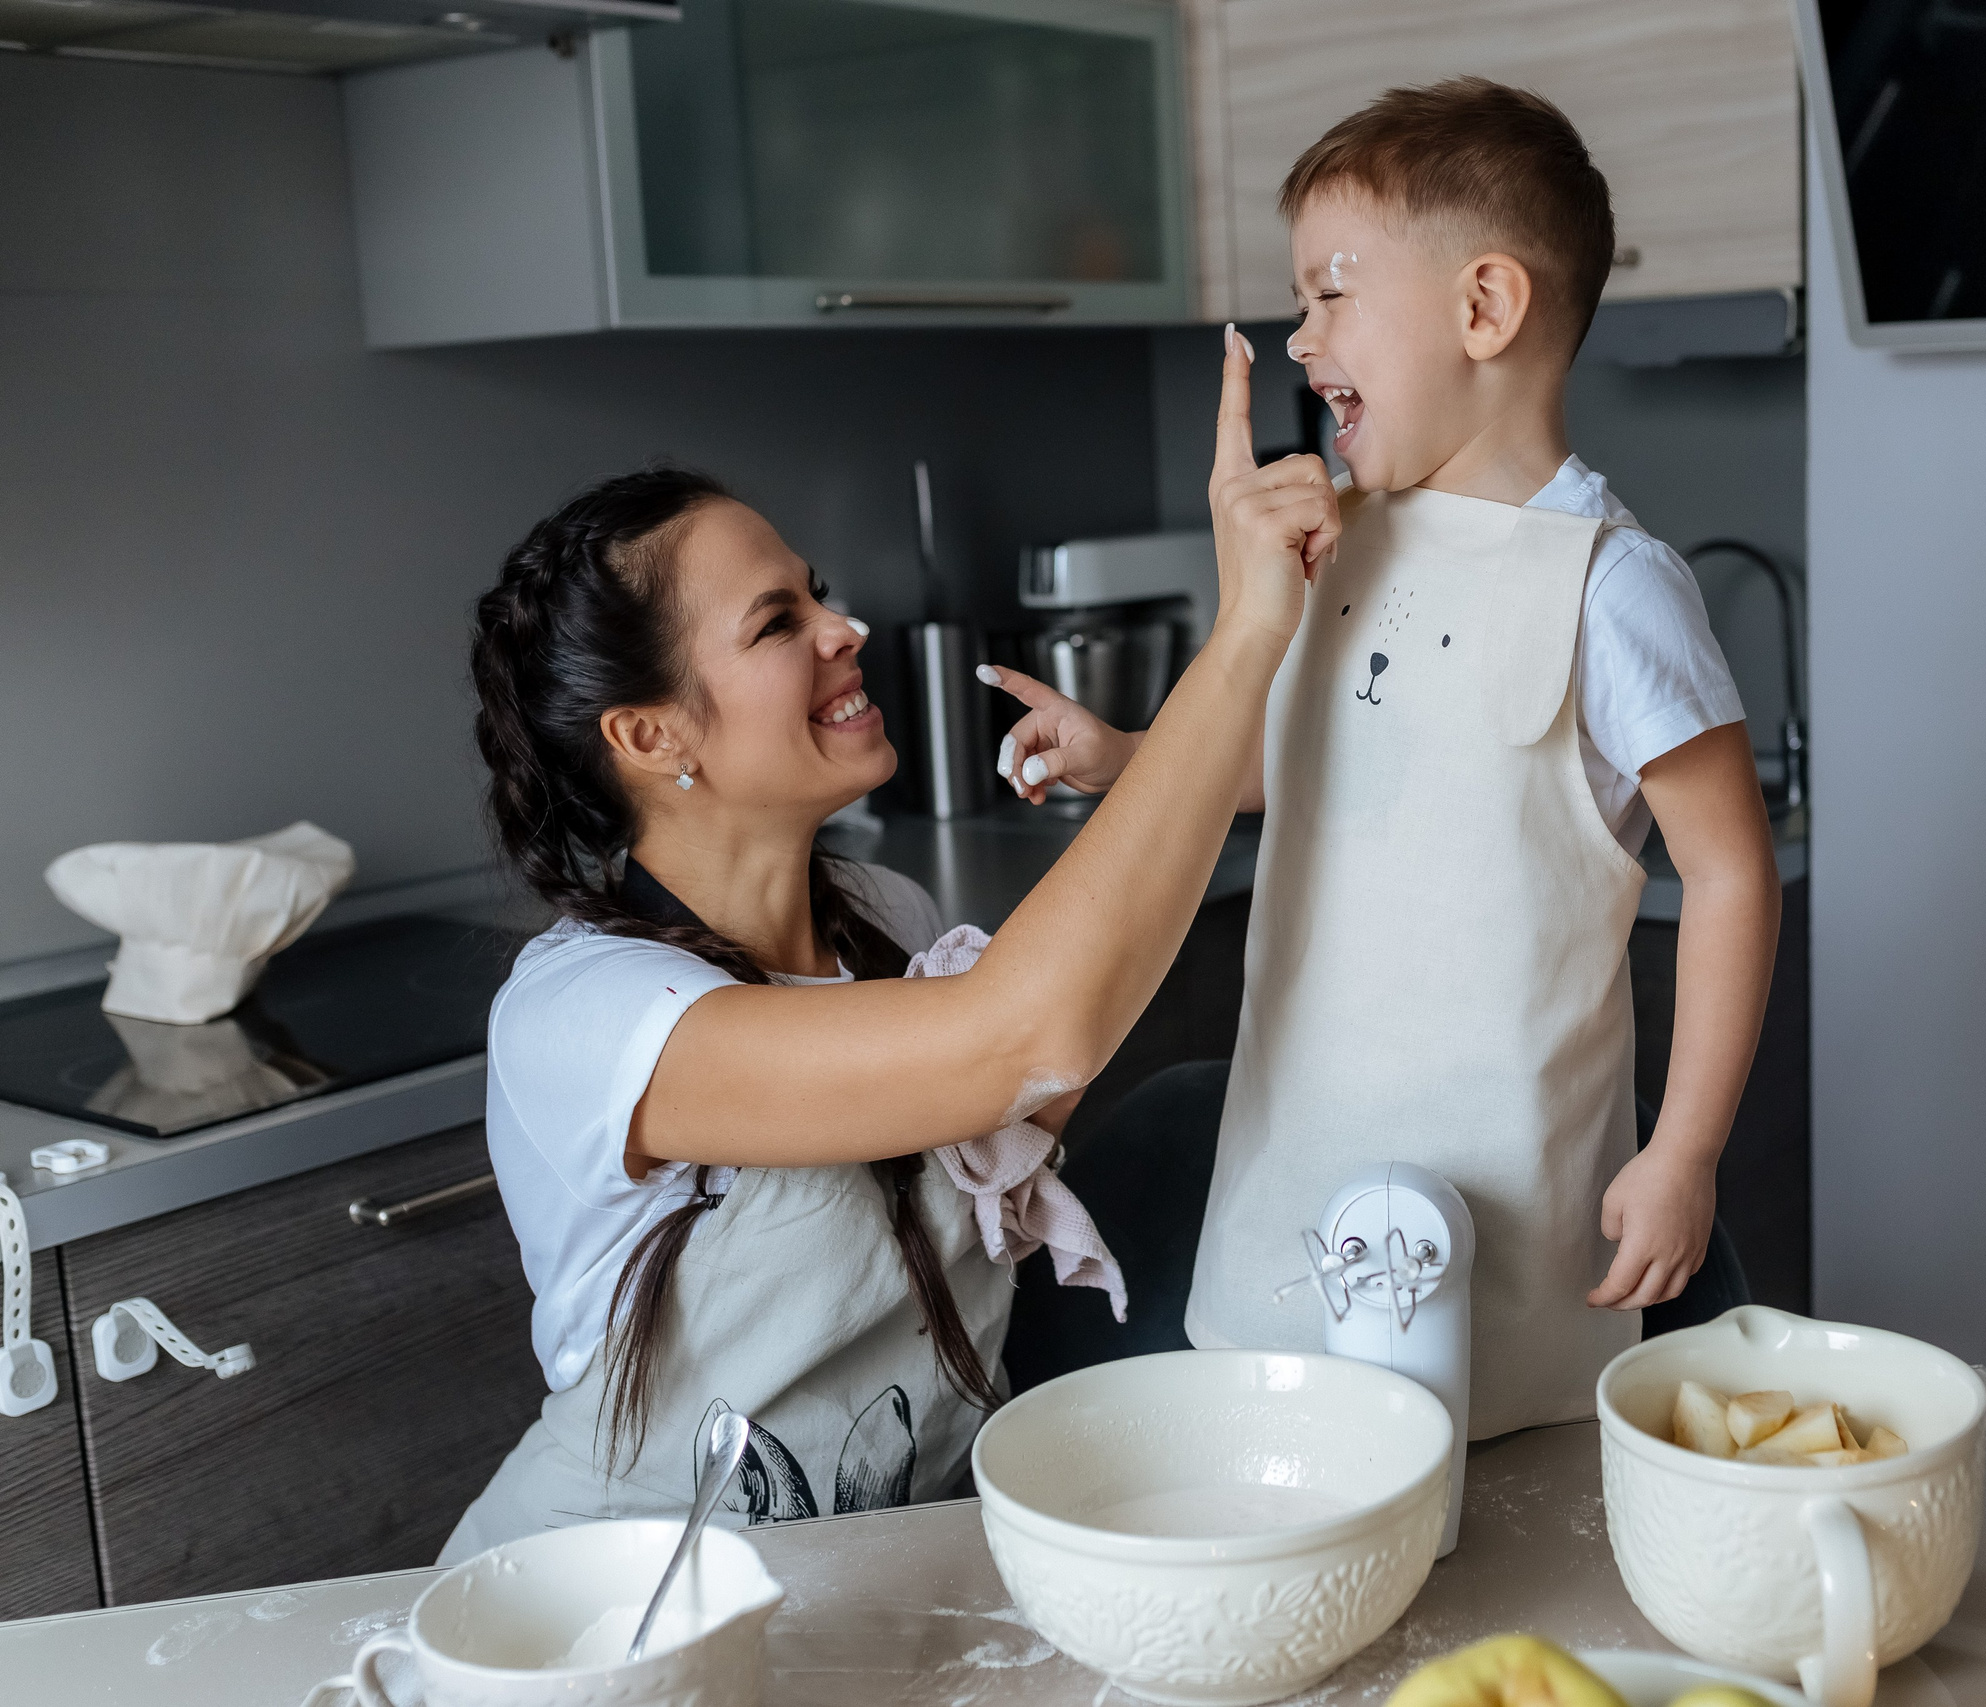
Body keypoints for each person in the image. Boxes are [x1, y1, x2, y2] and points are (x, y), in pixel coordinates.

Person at [441, 346, 1333, 1558]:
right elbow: (1024, 1037)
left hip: (882, 1580)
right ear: (650, 734)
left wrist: (1157, 767)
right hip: (613, 1616)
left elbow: (1037, 1065)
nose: (844, 630)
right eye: (779, 622)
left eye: (820, 595)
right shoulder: (591, 1014)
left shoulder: (889, 917)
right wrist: (1242, 640)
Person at [989, 78, 1781, 1436]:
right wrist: (1131, 754)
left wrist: (1684, 1150)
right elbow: (1310, 758)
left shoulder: (1613, 585)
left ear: (1485, 308)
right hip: (1291, 1173)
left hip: (1513, 1209)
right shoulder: (1349, 539)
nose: (1302, 339)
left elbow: (1729, 876)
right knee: (1297, 1477)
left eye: (1333, 293)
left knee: (1495, 1517)